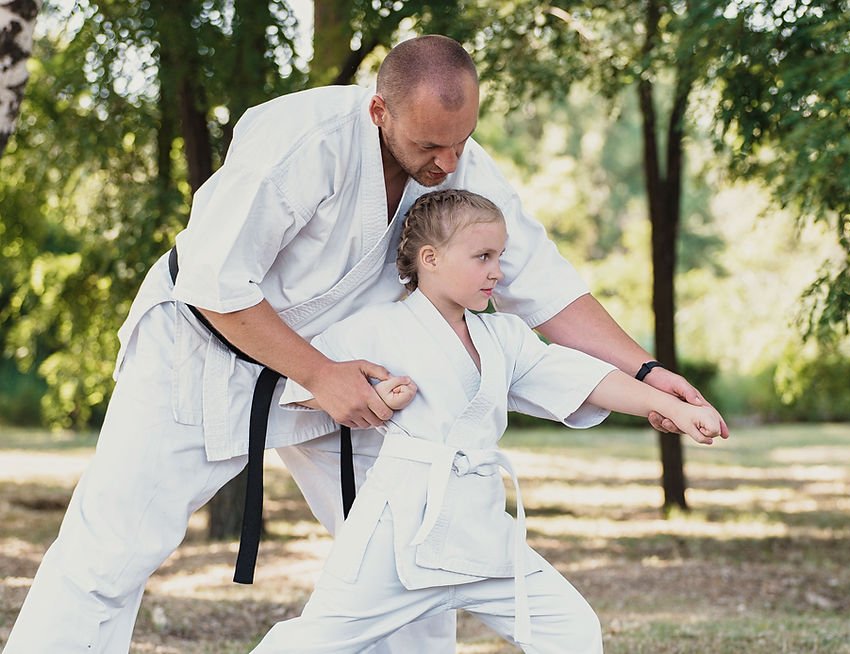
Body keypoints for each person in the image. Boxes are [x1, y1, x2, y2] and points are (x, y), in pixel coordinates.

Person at [4, 35, 726, 653]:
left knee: (420, 540)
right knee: (109, 554)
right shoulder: (300, 142)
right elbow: (214, 282)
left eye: (461, 141)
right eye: (429, 146)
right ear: (380, 110)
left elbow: (542, 285)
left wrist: (646, 370)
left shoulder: (458, 162)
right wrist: (321, 375)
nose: (448, 164)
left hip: (348, 368)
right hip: (201, 352)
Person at [249, 189, 725, 653]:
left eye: (499, 257)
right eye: (482, 257)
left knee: (571, 629)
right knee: (313, 641)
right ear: (431, 259)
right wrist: (372, 395)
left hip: (480, 527)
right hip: (396, 535)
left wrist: (674, 408)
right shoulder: (375, 328)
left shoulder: (504, 336)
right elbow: (308, 388)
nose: (497, 271)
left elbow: (582, 378)